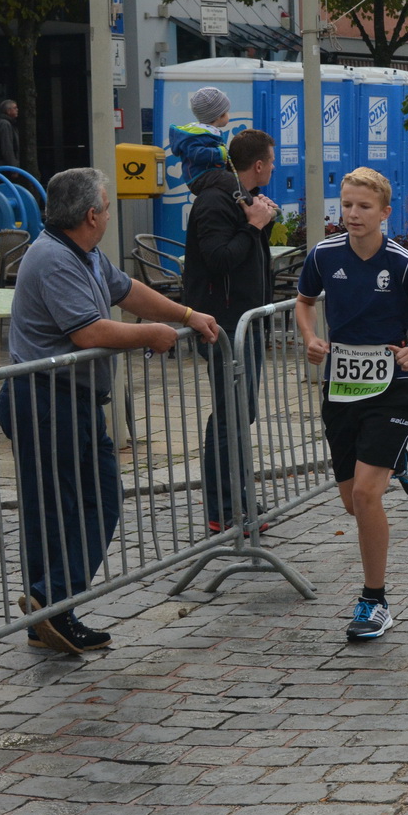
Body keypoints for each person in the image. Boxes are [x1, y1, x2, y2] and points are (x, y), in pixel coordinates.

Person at [0, 169, 220, 654]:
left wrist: (183, 315)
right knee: (66, 509)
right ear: (91, 215)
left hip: (69, 399)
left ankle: (51, 610)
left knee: (83, 503)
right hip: (43, 399)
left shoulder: (86, 252)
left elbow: (126, 291)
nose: (108, 215)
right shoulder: (54, 257)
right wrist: (150, 334)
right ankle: (51, 604)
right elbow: (90, 332)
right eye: (106, 206)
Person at [295, 167, 408, 640]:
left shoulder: (401, 263)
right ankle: (400, 457)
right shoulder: (324, 254)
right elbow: (303, 301)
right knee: (353, 504)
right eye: (346, 205)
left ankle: (374, 601)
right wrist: (310, 337)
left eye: (364, 207)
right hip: (341, 383)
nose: (353, 214)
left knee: (366, 494)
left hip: (391, 383)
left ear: (385, 213)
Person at [182, 129, 281, 535]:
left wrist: (261, 221)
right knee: (230, 415)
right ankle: (224, 508)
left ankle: (238, 498)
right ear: (257, 165)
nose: (274, 167)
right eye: (271, 161)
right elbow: (220, 259)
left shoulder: (242, 199)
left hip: (245, 322)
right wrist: (254, 226)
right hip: (221, 326)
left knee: (243, 412)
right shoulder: (214, 201)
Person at [170, 86, 233, 185]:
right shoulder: (197, 135)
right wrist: (219, 153)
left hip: (207, 174)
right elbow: (196, 153)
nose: (229, 115)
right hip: (199, 177)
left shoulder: (208, 132)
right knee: (229, 180)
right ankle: (245, 199)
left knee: (230, 178)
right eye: (226, 112)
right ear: (218, 116)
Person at [0, 99, 20, 169]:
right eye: (15, 108)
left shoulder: (3, 123)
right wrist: (13, 167)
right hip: (4, 166)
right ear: (8, 111)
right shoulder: (5, 124)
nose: (17, 110)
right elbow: (7, 147)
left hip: (1, 165)